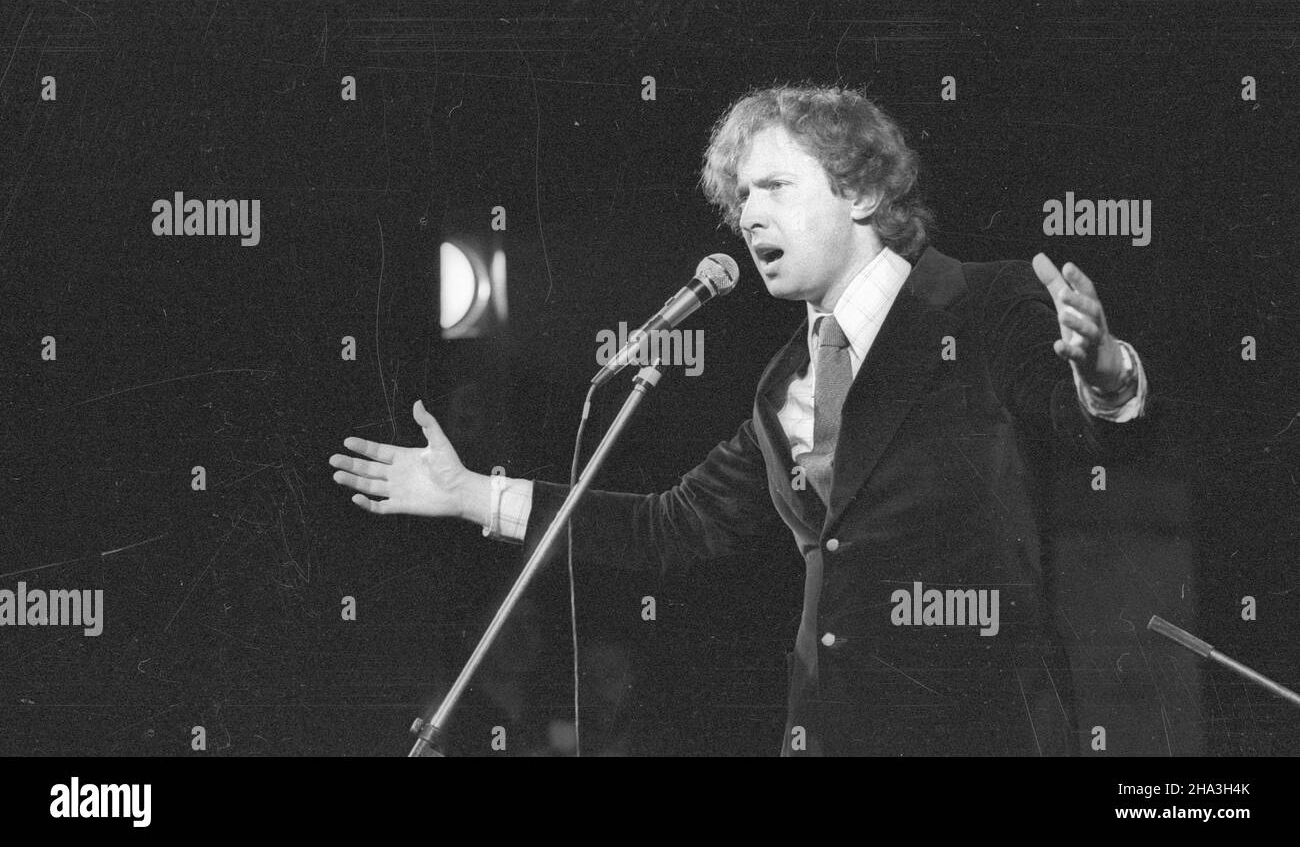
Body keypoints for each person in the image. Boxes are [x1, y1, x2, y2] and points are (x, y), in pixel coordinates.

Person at [330, 85, 1151, 756]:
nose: (750, 216)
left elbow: (1091, 423)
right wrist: (475, 494)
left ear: (862, 190)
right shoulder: (781, 383)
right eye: (742, 197)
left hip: (982, 733)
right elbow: (670, 527)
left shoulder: (978, 300)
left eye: (777, 188)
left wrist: (1104, 371)